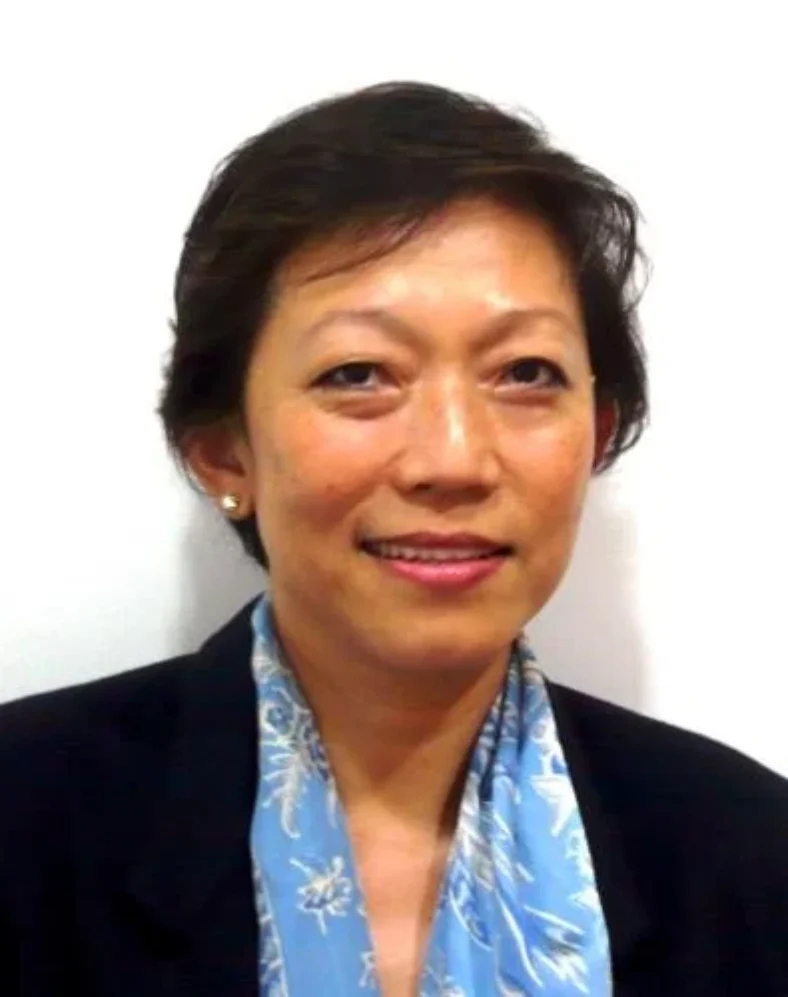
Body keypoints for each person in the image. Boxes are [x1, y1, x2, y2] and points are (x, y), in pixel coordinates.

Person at [0, 81, 785, 997]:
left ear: (596, 435)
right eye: (359, 373)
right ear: (223, 451)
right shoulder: (23, 820)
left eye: (525, 372)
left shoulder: (748, 854)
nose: (453, 459)